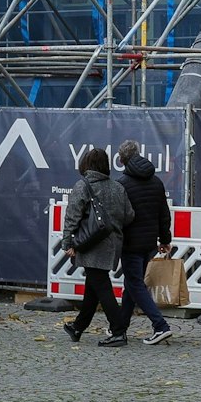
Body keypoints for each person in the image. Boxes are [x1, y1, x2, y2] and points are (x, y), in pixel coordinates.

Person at [60, 146, 136, 347]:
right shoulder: (118, 187)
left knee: (101, 286)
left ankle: (118, 331)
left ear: (86, 164)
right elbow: (129, 216)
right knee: (94, 286)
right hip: (113, 244)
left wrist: (68, 242)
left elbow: (72, 217)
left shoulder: (83, 185)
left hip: (91, 245)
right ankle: (78, 327)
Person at [108, 140, 175, 346]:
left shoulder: (121, 184)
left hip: (130, 243)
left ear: (121, 160)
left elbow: (118, 217)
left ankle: (160, 326)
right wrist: (165, 240)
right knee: (132, 284)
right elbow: (164, 215)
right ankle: (120, 328)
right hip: (149, 243)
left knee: (135, 284)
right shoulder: (156, 181)